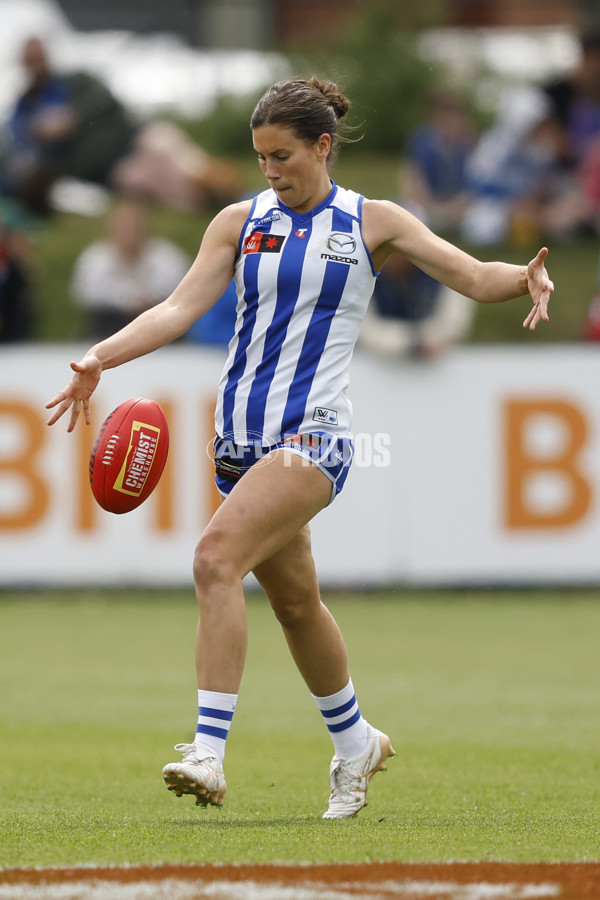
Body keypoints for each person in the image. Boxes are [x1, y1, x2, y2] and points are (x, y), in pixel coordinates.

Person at [46, 76, 554, 819]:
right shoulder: (238, 221)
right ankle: (356, 744)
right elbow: (178, 307)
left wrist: (524, 277)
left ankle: (207, 753)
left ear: (323, 146)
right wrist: (102, 357)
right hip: (238, 440)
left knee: (213, 559)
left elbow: (472, 275)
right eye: (260, 158)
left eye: (282, 155)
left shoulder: (373, 221)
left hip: (315, 435)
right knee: (295, 605)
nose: (271, 171)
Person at [3, 36, 241, 216]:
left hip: (134, 138)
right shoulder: (24, 109)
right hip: (108, 168)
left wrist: (71, 117)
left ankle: (224, 187)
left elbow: (107, 99)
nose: (36, 65)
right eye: (30, 61)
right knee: (144, 181)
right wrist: (42, 137)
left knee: (168, 151)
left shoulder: (76, 82)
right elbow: (24, 156)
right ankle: (210, 205)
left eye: (39, 58)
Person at [70, 199, 190, 340]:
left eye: (134, 229)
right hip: (109, 324)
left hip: (161, 322)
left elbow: (183, 290)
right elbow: (84, 294)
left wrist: (149, 300)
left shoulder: (167, 256)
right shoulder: (95, 258)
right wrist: (126, 301)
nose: (129, 235)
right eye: (123, 229)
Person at [358, 244, 474, 358]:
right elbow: (364, 328)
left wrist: (430, 338)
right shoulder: (363, 280)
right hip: (378, 362)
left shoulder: (443, 274)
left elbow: (454, 322)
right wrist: (410, 342)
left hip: (436, 361)